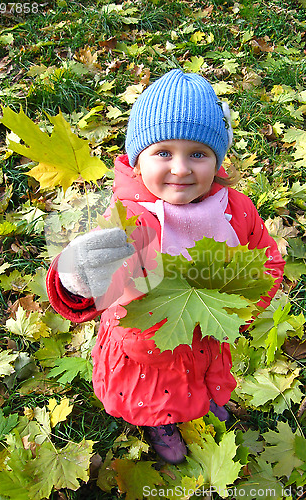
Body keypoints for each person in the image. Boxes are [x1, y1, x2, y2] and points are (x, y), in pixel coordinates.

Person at [46, 69, 285, 465]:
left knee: (199, 379)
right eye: (163, 153)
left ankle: (202, 402)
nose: (180, 168)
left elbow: (265, 259)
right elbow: (97, 284)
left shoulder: (234, 209)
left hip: (207, 333)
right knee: (160, 394)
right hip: (149, 347)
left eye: (198, 154)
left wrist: (242, 308)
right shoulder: (131, 218)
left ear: (217, 159)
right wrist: (77, 278)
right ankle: (162, 423)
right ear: (138, 161)